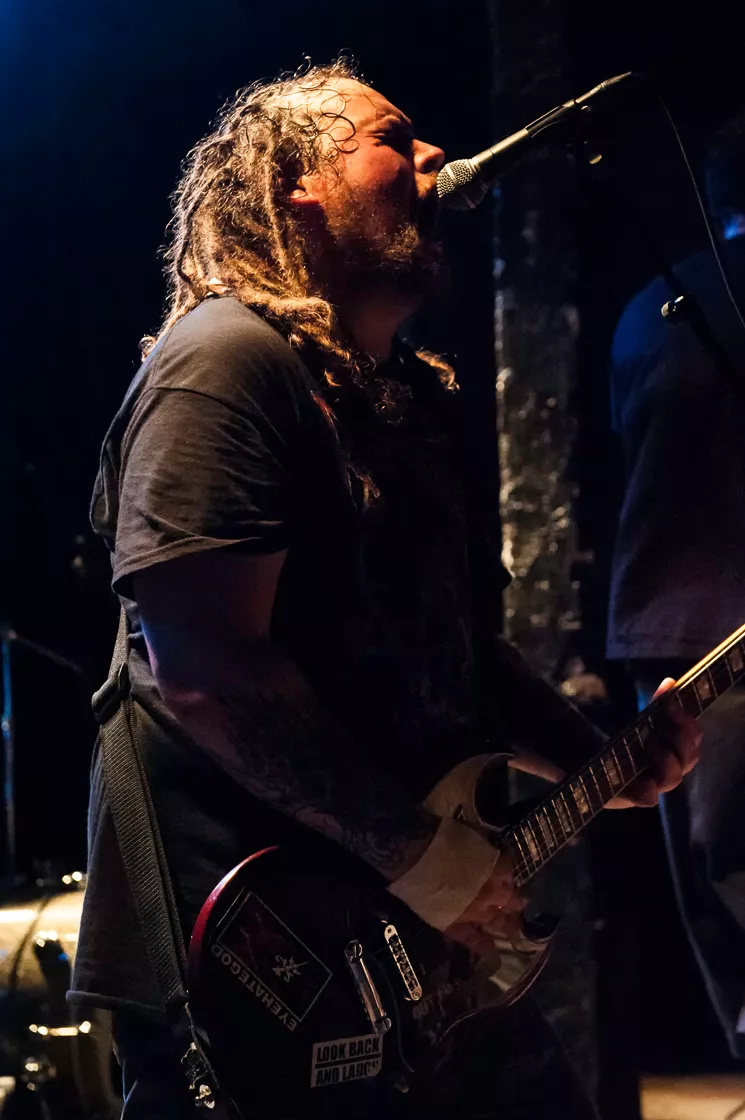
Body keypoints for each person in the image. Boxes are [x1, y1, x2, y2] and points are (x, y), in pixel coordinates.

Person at [69, 58, 700, 1118]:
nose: (434, 156)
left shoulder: (407, 399)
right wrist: (418, 858)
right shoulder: (222, 364)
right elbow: (208, 668)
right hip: (258, 960)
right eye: (393, 139)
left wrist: (601, 761)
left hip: (421, 954)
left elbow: (456, 658)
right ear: (294, 184)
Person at [606, 113, 745, 1059]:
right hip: (714, 618)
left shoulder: (646, 307)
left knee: (716, 880)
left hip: (671, 625)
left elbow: (631, 442)